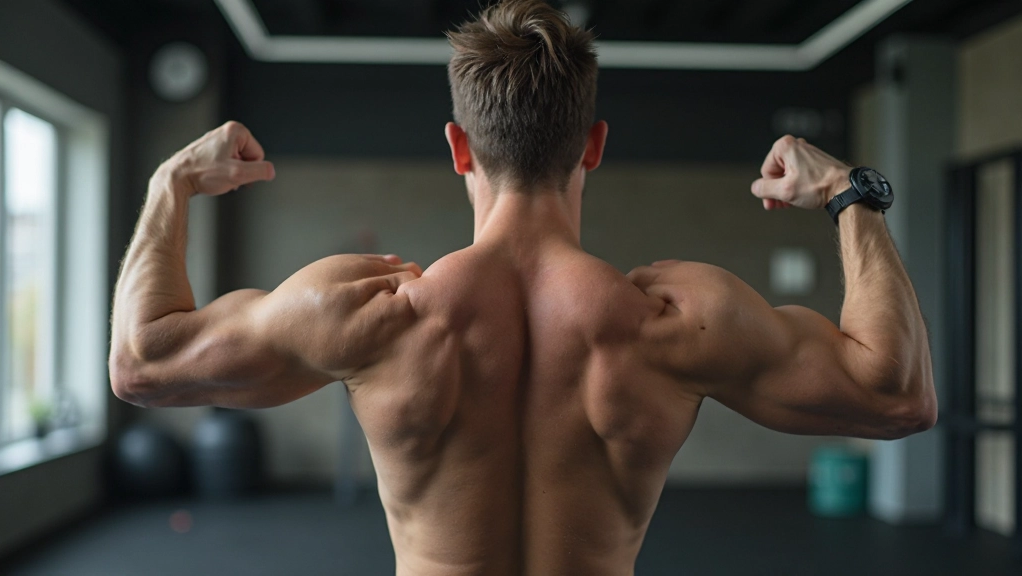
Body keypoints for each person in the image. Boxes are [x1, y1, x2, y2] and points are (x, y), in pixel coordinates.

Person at [109, 0, 937, 573]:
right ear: (596, 144)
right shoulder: (674, 321)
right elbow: (897, 396)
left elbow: (143, 364)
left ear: (459, 147)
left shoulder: (372, 314)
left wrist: (169, 185)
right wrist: (847, 195)